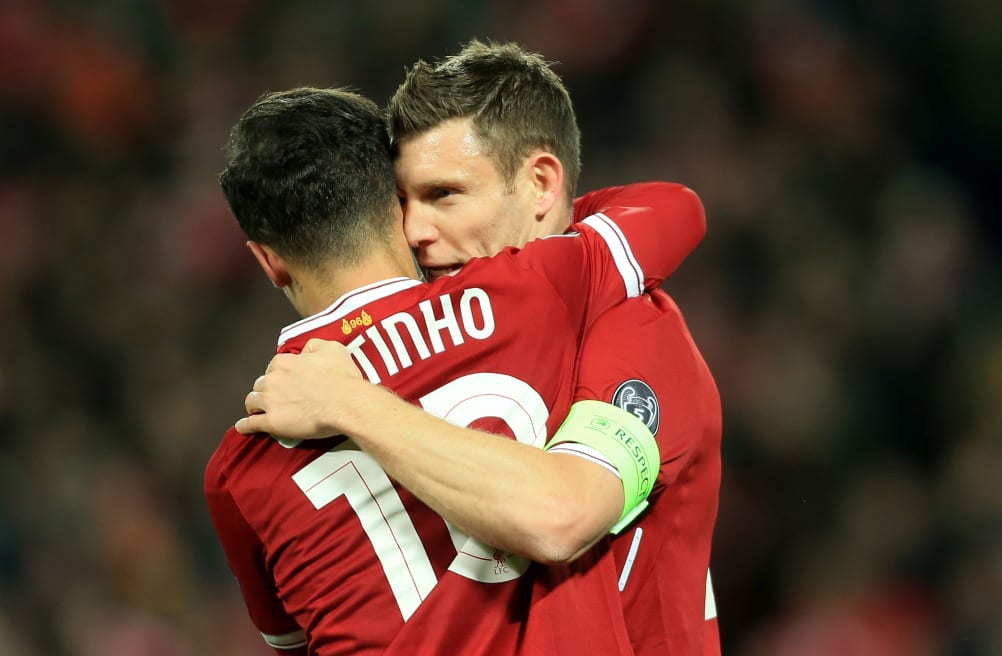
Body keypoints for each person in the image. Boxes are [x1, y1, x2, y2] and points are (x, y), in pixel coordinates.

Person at [238, 41, 722, 655]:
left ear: (541, 183)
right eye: (403, 202)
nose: (414, 232)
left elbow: (559, 513)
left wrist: (349, 404)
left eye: (445, 195)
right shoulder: (460, 337)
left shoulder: (631, 329)